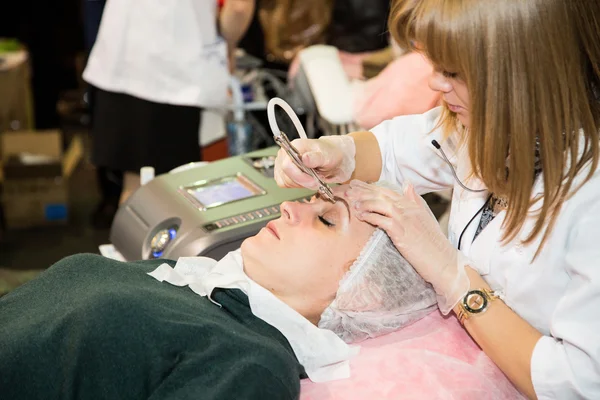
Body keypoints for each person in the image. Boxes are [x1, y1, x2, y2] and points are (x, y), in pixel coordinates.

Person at [274, 0, 600, 398]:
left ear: (526, 73)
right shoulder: (485, 120)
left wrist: (453, 277)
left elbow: (577, 384)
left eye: (454, 72)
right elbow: (397, 146)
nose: (434, 84)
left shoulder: (590, 200)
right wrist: (340, 152)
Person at [0, 183, 437, 399]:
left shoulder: (251, 365)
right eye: (308, 200)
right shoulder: (193, 282)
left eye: (325, 219)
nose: (289, 206)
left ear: (362, 294)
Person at [83, 0, 255, 227]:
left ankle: (132, 261)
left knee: (135, 191)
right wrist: (229, 48)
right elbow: (239, 7)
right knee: (180, 196)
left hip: (121, 59)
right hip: (175, 71)